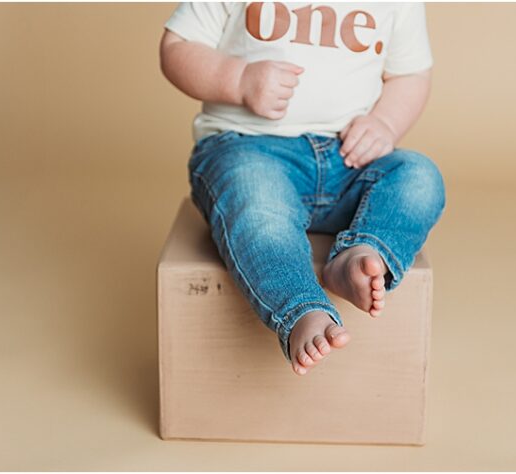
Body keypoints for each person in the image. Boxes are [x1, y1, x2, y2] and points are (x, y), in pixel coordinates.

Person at [160, 3, 445, 376]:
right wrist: (239, 79)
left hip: (348, 159)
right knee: (258, 206)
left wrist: (384, 123)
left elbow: (410, 75)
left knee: (419, 175)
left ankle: (360, 252)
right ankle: (301, 307)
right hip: (249, 148)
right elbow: (177, 47)